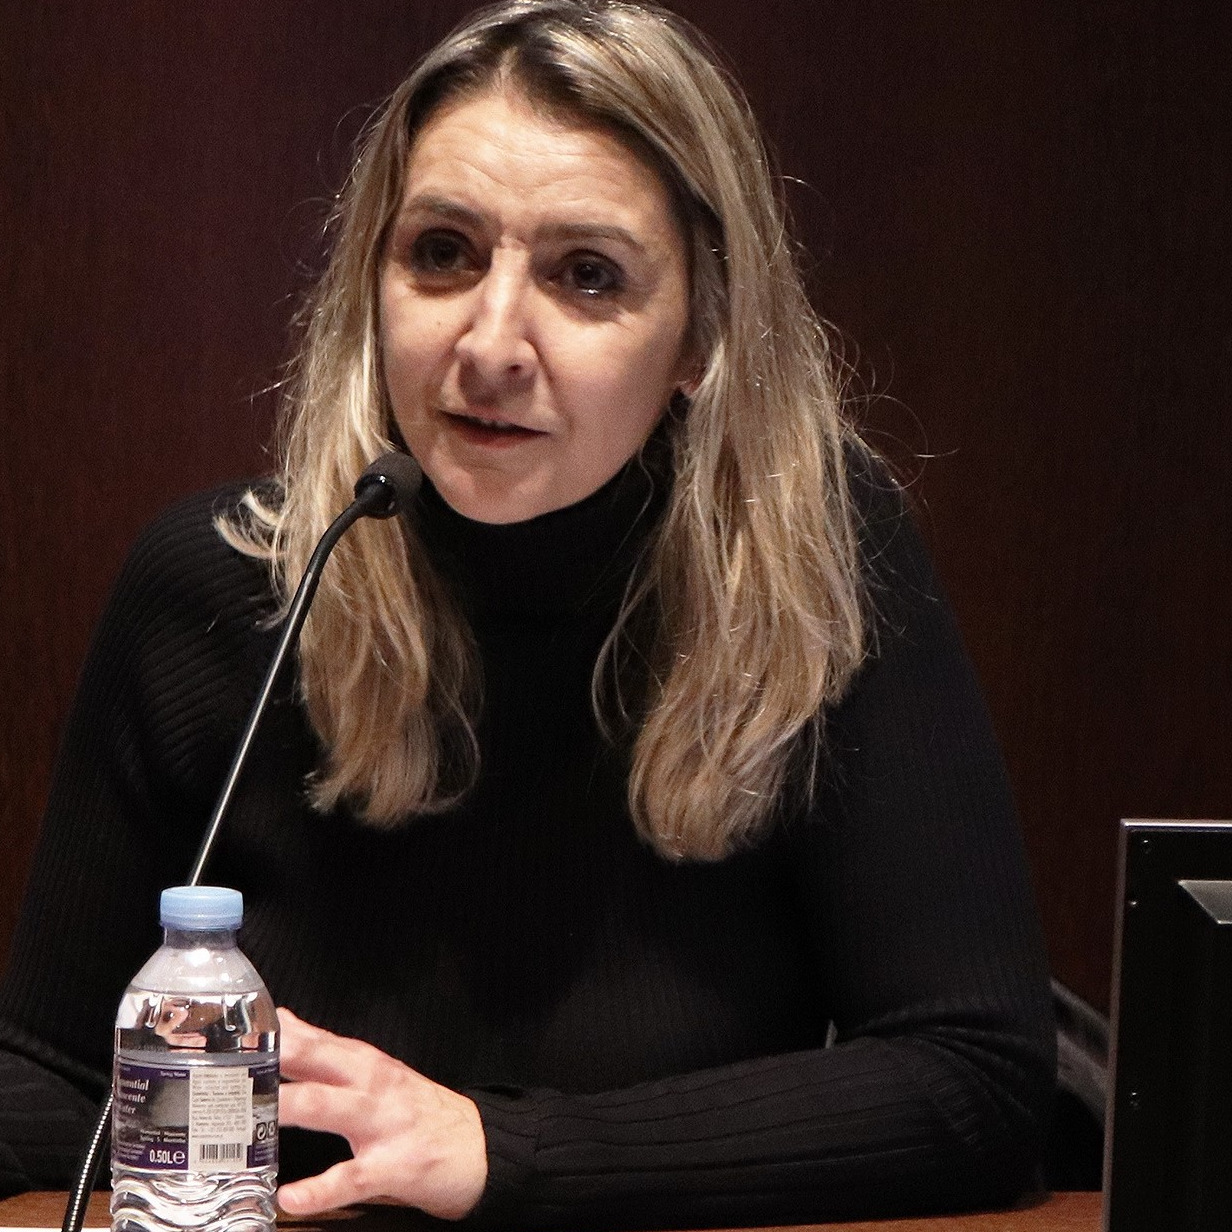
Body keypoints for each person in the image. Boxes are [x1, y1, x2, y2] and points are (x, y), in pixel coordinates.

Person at [0, 0, 1055, 1226]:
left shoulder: (812, 577)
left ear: (701, 335)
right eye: (442, 252)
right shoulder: (221, 584)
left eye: (585, 274)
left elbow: (976, 1082)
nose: (490, 342)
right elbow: (58, 1078)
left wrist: (501, 1148)